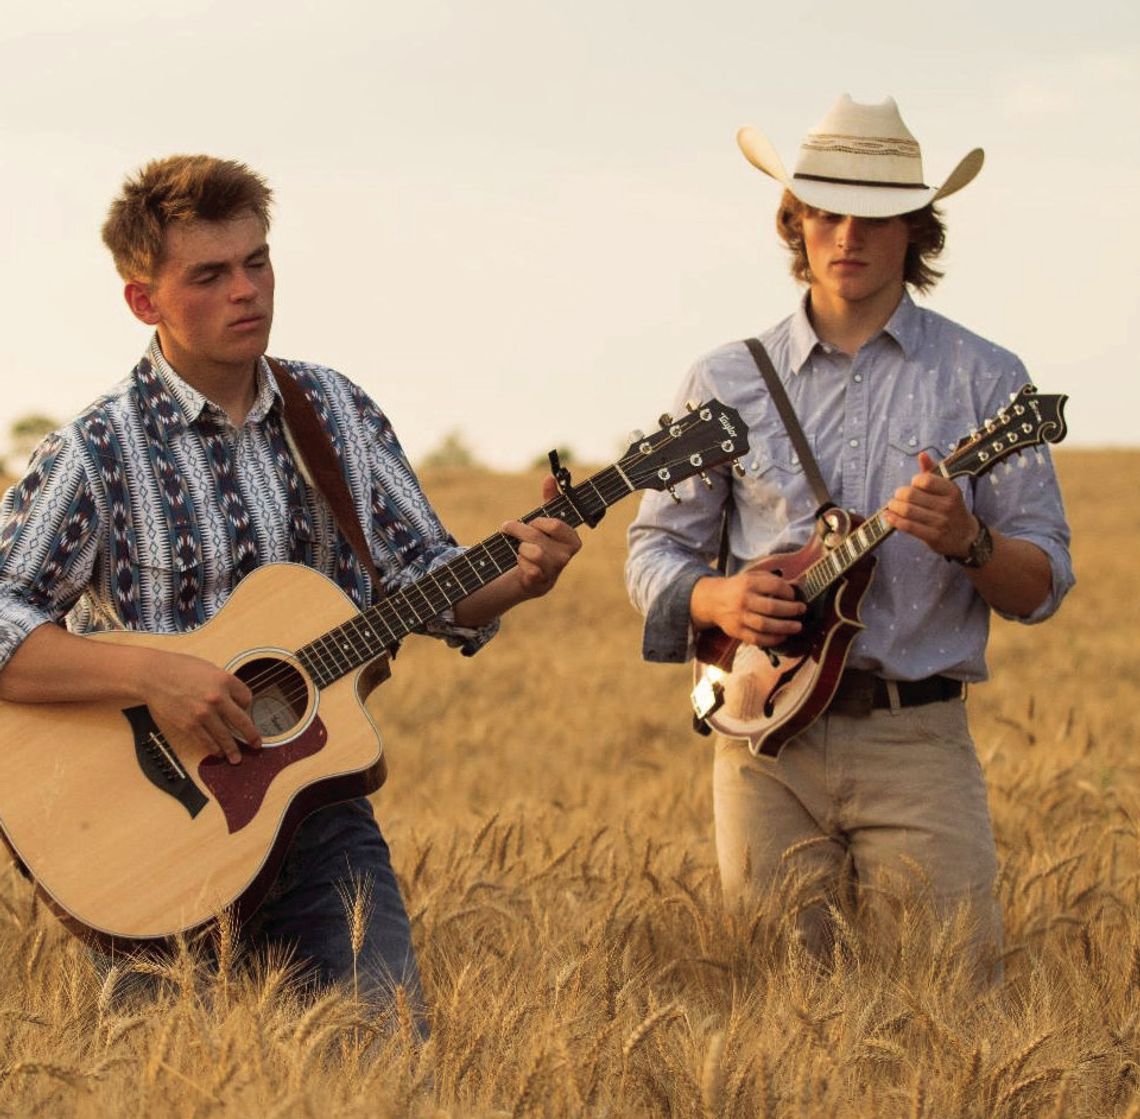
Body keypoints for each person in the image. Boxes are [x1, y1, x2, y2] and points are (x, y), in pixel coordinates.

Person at [0, 155, 581, 1012]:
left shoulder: (334, 409)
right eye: (210, 275)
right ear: (143, 301)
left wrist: (519, 577)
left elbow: (425, 576)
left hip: (316, 812)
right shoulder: (97, 450)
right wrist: (155, 677)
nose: (247, 290)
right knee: (166, 1081)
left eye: (258, 261)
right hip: (145, 838)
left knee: (382, 1060)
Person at [625, 95, 1073, 969]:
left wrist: (969, 540)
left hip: (919, 742)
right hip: (763, 743)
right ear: (795, 221)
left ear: (916, 229)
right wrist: (719, 597)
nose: (846, 236)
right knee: (777, 1015)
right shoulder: (723, 380)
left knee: (952, 1008)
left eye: (874, 216)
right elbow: (653, 550)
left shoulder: (986, 378)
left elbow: (1043, 584)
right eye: (825, 212)